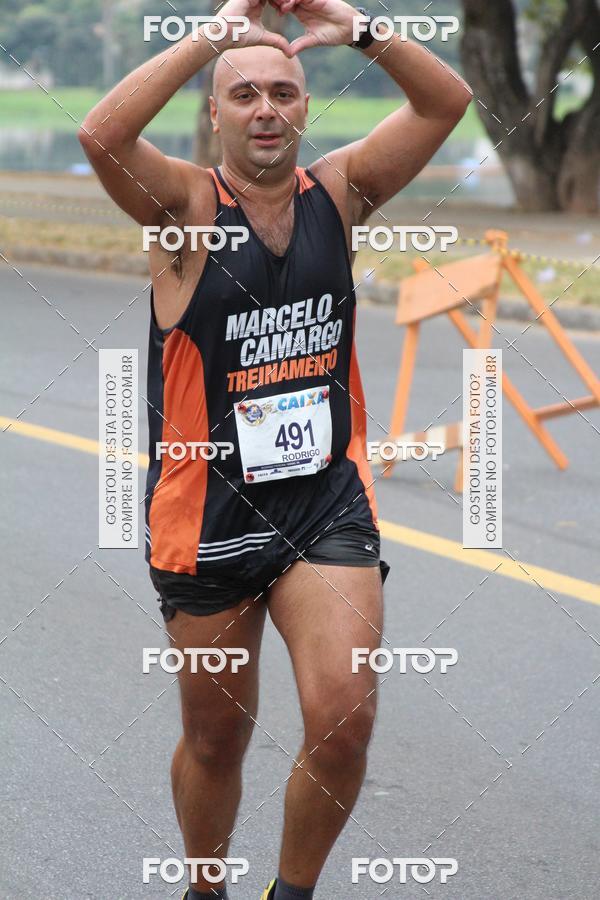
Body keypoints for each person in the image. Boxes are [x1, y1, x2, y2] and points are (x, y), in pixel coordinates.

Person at [80, 0, 470, 896]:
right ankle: (205, 884)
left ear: (304, 107)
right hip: (205, 516)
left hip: (324, 502)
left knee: (343, 719)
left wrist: (362, 28)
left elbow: (445, 103)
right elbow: (102, 137)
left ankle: (291, 893)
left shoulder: (341, 192)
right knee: (217, 738)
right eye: (244, 94)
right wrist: (214, 35)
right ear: (215, 113)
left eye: (283, 93)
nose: (266, 109)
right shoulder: (182, 208)